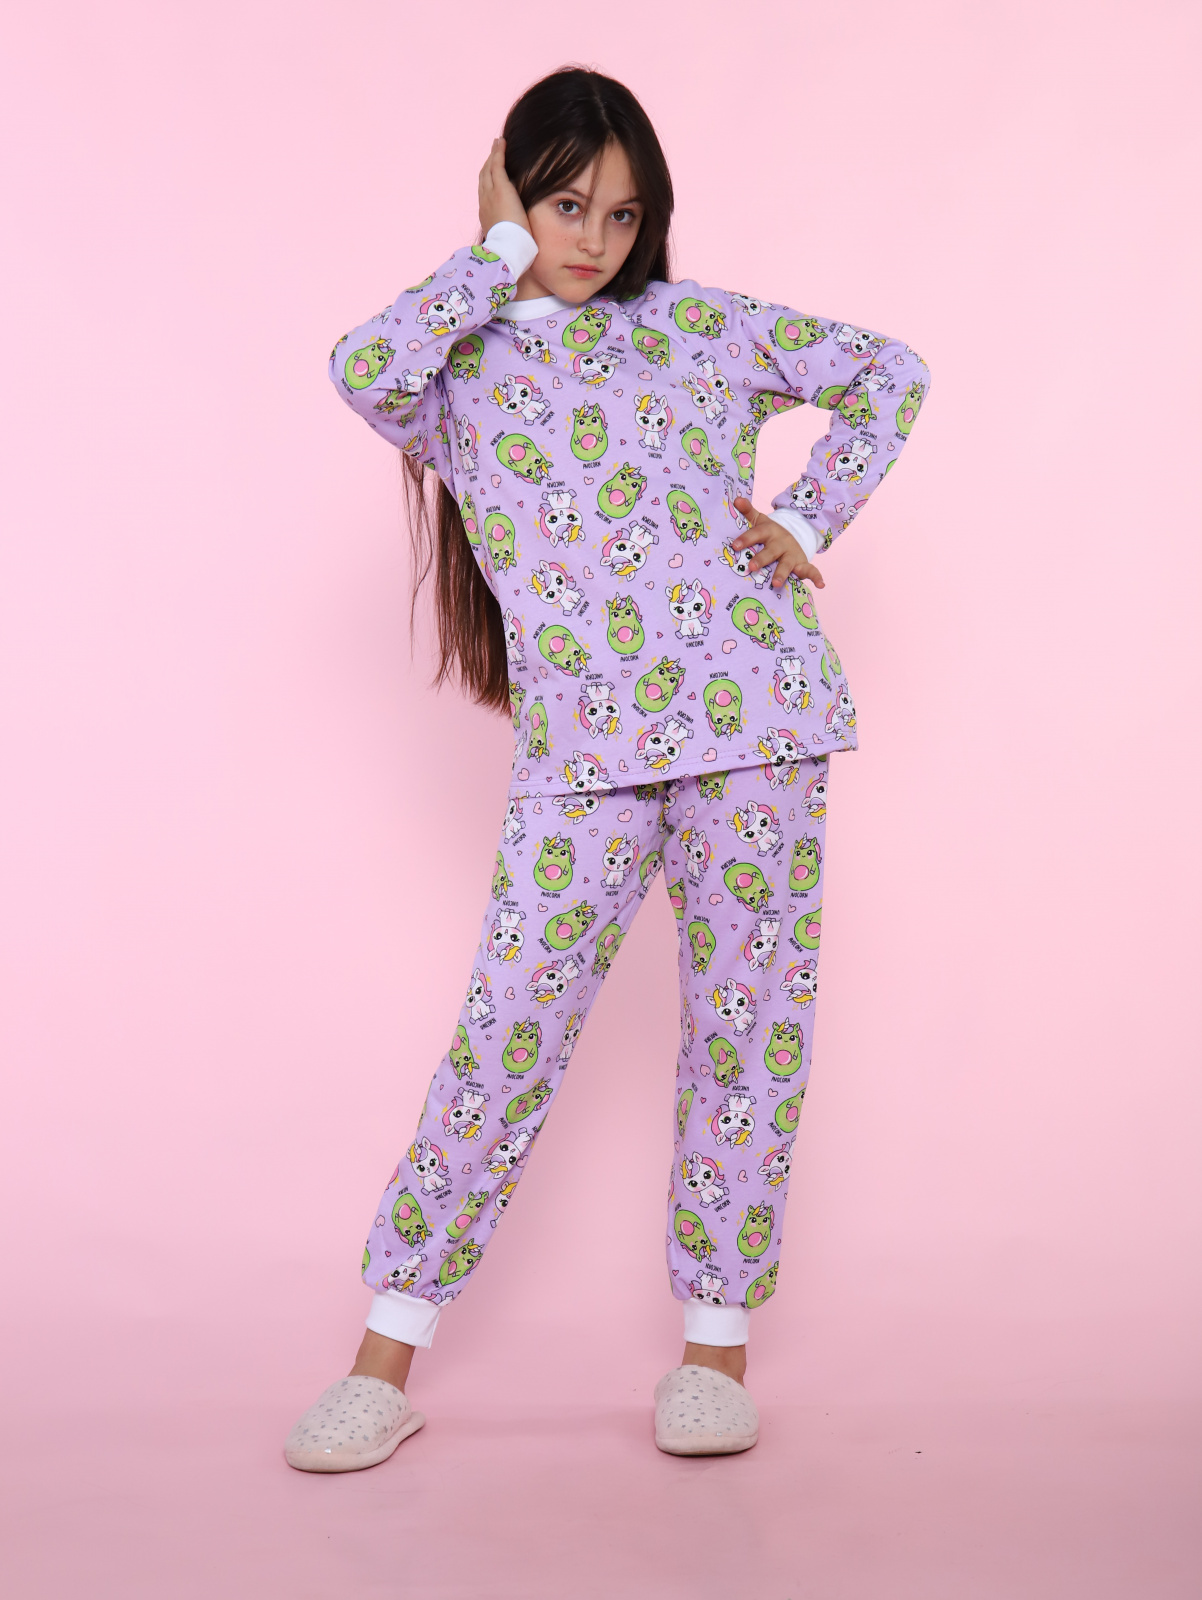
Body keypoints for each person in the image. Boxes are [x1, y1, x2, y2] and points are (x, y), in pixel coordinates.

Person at [284, 65, 931, 1471]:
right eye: (565, 204)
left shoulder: (695, 327)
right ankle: (385, 1357)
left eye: (622, 214)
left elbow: (891, 371)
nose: (594, 238)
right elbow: (359, 368)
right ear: (509, 193)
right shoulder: (459, 366)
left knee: (746, 1032)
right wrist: (490, 252)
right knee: (508, 1029)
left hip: (759, 724)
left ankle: (714, 1350)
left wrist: (810, 515)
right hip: (583, 754)